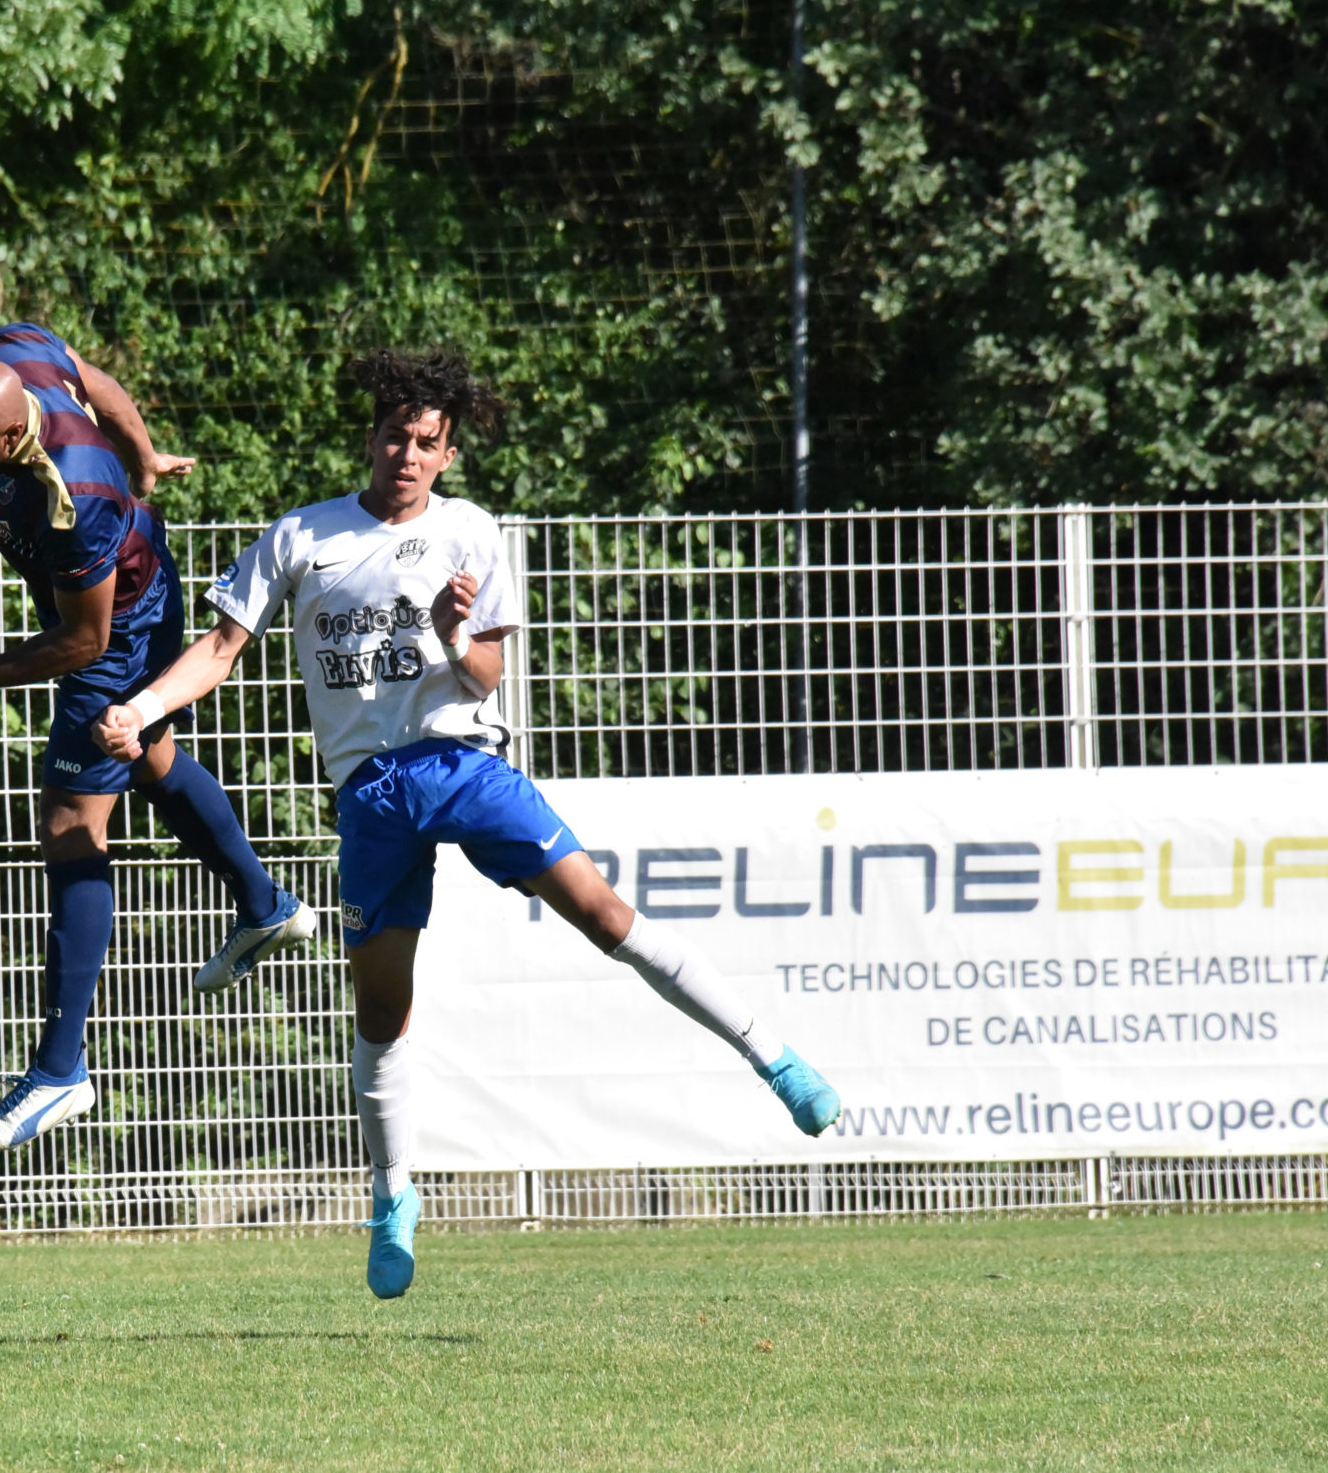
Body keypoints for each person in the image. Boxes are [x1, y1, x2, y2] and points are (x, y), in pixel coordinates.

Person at [95, 348, 843, 1300]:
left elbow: (486, 673)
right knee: (382, 1008)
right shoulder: (302, 536)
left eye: (427, 442)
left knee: (605, 915)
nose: (407, 455)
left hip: (462, 763)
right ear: (371, 438)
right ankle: (393, 1194)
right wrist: (143, 706)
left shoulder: (470, 531)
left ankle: (775, 1058)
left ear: (447, 454)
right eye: (395, 436)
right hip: (371, 792)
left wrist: (454, 632)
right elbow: (218, 647)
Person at [0, 322, 314, 1153]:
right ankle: (264, 905)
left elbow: (84, 641)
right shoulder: (15, 350)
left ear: (10, 435)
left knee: (72, 820)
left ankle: (59, 1069)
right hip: (125, 581)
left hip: (119, 625)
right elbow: (92, 377)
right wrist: (146, 455)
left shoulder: (76, 499)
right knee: (148, 757)